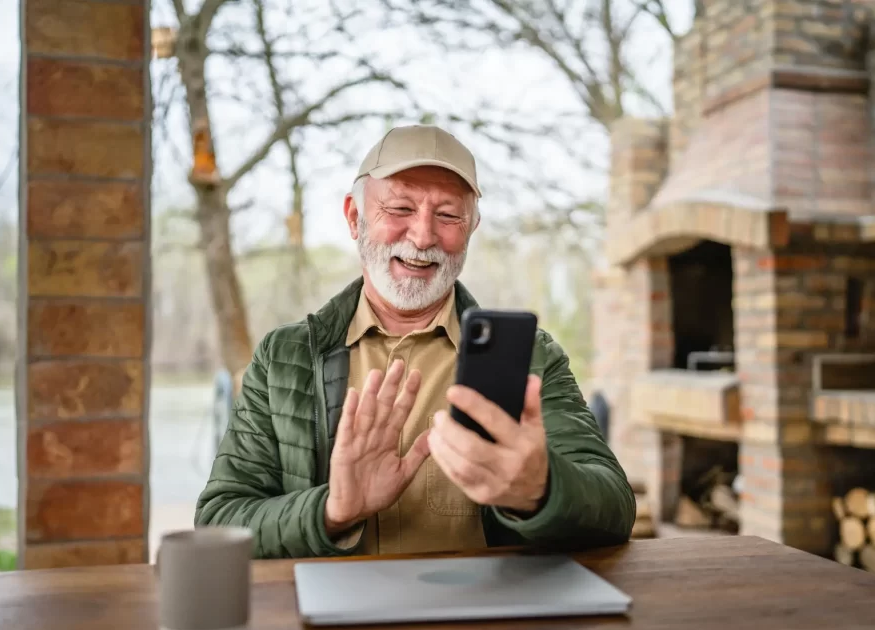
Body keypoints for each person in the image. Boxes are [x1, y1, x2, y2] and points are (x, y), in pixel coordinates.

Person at [195, 124, 635, 558]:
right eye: (401, 208)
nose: (423, 236)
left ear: (472, 228)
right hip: (333, 626)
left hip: (487, 620)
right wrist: (332, 511)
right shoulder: (283, 359)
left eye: (448, 215)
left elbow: (614, 506)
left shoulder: (532, 358)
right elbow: (219, 520)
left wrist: (542, 488)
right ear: (355, 216)